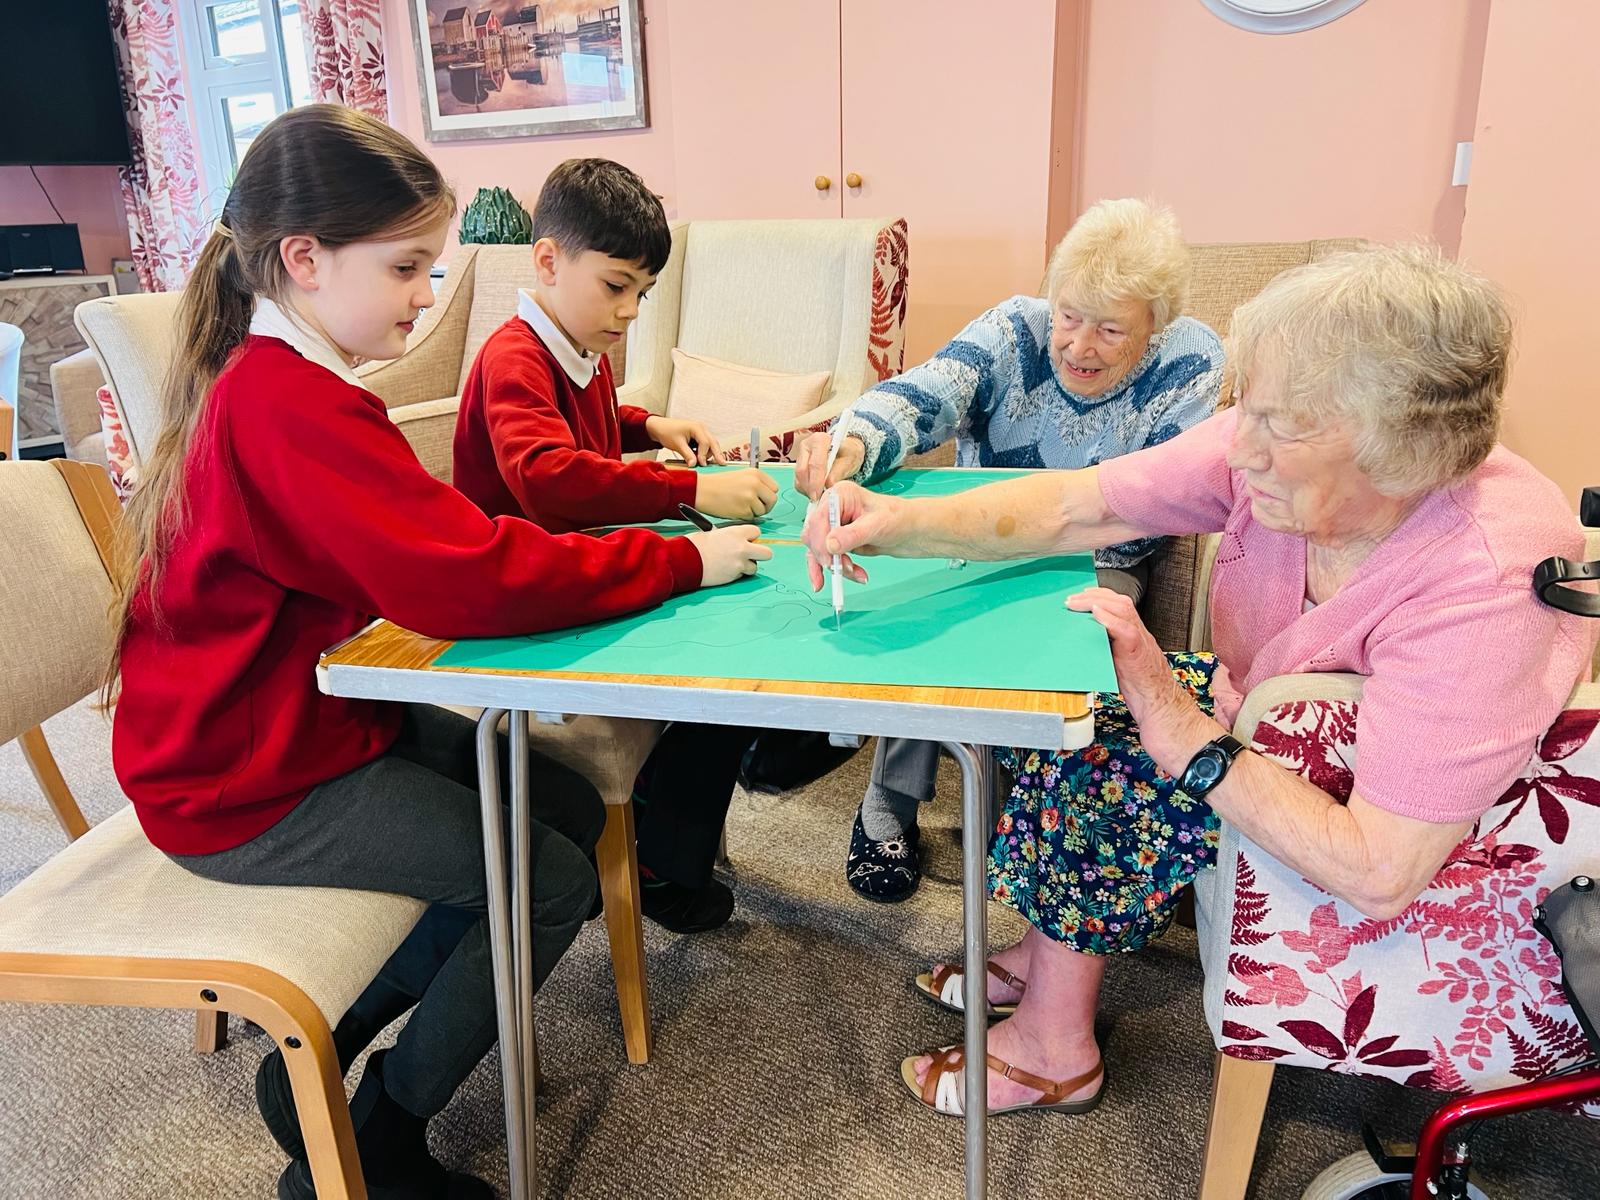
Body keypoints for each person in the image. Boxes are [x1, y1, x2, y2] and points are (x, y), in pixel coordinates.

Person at [106, 106, 769, 1199]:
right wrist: (682, 562)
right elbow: (469, 575)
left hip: (302, 721)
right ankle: (377, 1131)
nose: (429, 294)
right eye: (408, 266)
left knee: (553, 803)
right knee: (547, 882)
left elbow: (448, 551)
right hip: (241, 778)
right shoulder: (283, 404)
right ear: (303, 261)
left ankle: (319, 1061)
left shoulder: (294, 381)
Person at [801, 244, 1599, 1116]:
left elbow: (1381, 869)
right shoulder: (1282, 456)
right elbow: (1084, 503)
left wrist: (1182, 732)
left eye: (1280, 426)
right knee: (1077, 710)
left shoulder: (1484, 574)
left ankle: (1057, 1050)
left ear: (1405, 447)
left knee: (1115, 766)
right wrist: (893, 523)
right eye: (1244, 411)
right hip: (1263, 723)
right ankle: (1047, 954)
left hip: (1415, 838)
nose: (1239, 450)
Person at [789, 197, 1224, 902]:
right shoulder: (1013, 327)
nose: (1079, 346)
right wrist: (856, 444)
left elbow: (1161, 501)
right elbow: (924, 393)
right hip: (976, 537)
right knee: (930, 618)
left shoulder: (1192, 360)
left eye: (1111, 329)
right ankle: (885, 808)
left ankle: (1033, 824)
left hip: (1101, 550)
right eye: (1070, 316)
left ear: (1155, 326)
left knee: (1070, 636)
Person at [452, 158, 777, 934]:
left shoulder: (572, 344)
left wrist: (648, 426)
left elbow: (586, 432)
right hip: (530, 607)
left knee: (733, 642)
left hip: (572, 575)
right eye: (616, 285)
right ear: (548, 259)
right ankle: (661, 865)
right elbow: (549, 478)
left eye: (642, 293)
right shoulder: (513, 357)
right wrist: (687, 489)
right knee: (720, 685)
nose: (630, 310)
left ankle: (674, 835)